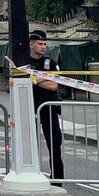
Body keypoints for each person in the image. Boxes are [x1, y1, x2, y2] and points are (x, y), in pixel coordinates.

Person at [28, 29, 64, 186]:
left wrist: (33, 78)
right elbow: (15, 82)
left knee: (55, 146)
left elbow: (53, 85)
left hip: (49, 108)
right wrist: (42, 78)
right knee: (30, 146)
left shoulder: (51, 63)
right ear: (31, 44)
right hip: (31, 107)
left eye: (44, 44)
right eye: (40, 44)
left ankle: (57, 181)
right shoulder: (24, 62)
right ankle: (32, 177)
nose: (43, 47)